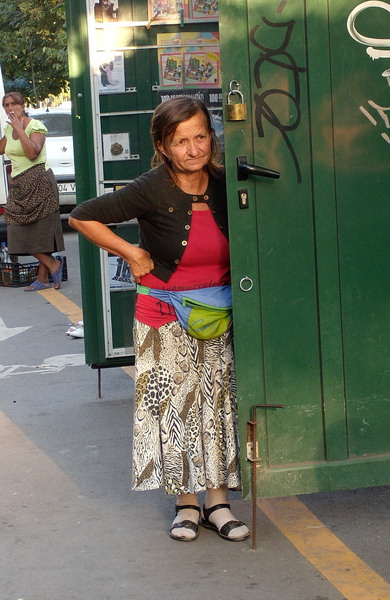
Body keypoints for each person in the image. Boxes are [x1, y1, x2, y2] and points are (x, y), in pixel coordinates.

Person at [69, 97, 249, 543]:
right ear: (163, 146)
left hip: (221, 314)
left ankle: (218, 503)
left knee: (219, 406)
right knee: (174, 409)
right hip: (164, 317)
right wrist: (131, 252)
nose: (193, 149)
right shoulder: (150, 187)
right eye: (181, 141)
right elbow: (82, 216)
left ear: (212, 137)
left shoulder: (227, 184)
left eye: (201, 137)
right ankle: (186, 504)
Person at [0, 93, 64, 291]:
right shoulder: (9, 128)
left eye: (14, 104)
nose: (10, 108)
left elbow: (33, 152)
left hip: (40, 182)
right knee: (16, 231)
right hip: (19, 185)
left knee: (42, 233)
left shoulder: (35, 126)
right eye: (6, 105)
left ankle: (42, 277)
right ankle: (53, 264)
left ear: (22, 105)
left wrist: (20, 128)